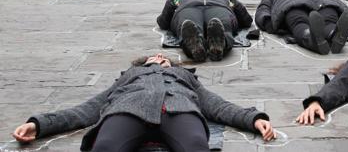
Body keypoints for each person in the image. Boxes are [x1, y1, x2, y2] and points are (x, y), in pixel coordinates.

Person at [12, 53, 276, 152]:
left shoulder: (185, 77)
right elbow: (88, 108)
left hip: (179, 109)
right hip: (128, 109)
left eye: (164, 57)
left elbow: (216, 105)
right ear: (142, 63)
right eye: (154, 56)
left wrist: (254, 119)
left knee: (196, 146)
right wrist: (39, 125)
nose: (159, 56)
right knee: (104, 146)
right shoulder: (128, 78)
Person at [255, 0, 348, 55]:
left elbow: (263, 7)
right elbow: (339, 2)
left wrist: (268, 22)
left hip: (293, 4)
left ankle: (311, 38)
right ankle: (334, 33)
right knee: (329, 20)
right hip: (323, 2)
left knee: (299, 23)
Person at [157, 0, 254, 62]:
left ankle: (196, 46)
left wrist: (170, 4)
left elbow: (163, 22)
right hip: (218, 7)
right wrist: (236, 7)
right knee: (222, 24)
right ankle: (217, 43)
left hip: (188, 8)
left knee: (187, 22)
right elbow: (246, 20)